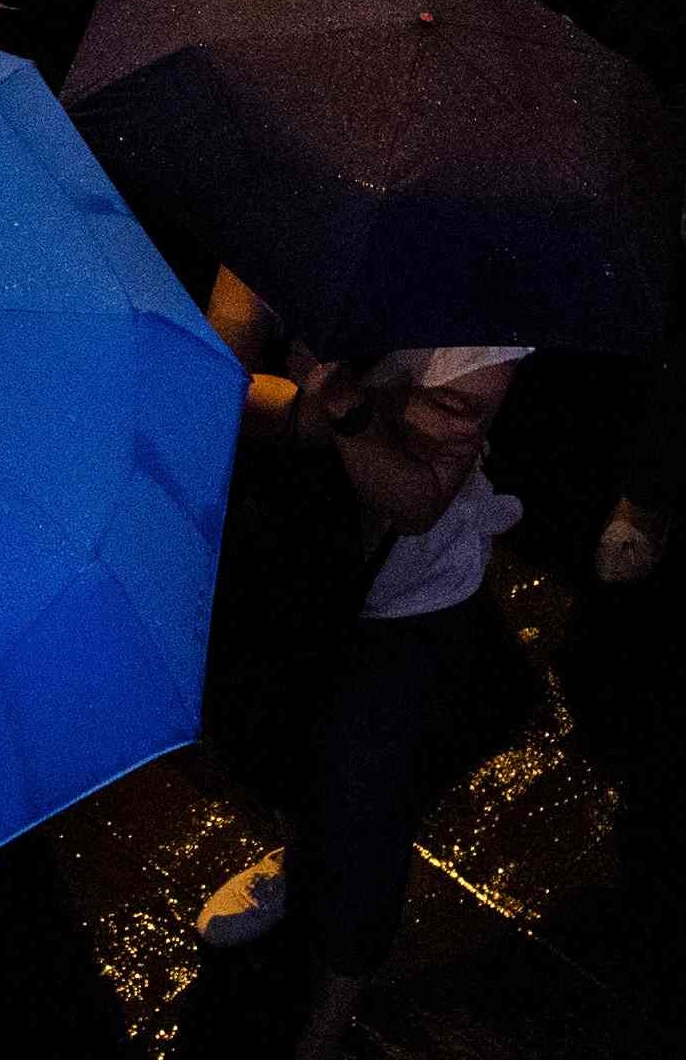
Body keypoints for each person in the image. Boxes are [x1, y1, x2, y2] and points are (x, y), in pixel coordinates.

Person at [194, 312, 524, 1058]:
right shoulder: (279, 222)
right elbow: (212, 380)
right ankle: (296, 857)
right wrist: (358, 421)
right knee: (276, 742)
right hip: (280, 564)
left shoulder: (483, 311)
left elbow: (415, 501)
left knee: (367, 811)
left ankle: (329, 1020)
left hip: (405, 604)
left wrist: (336, 407)